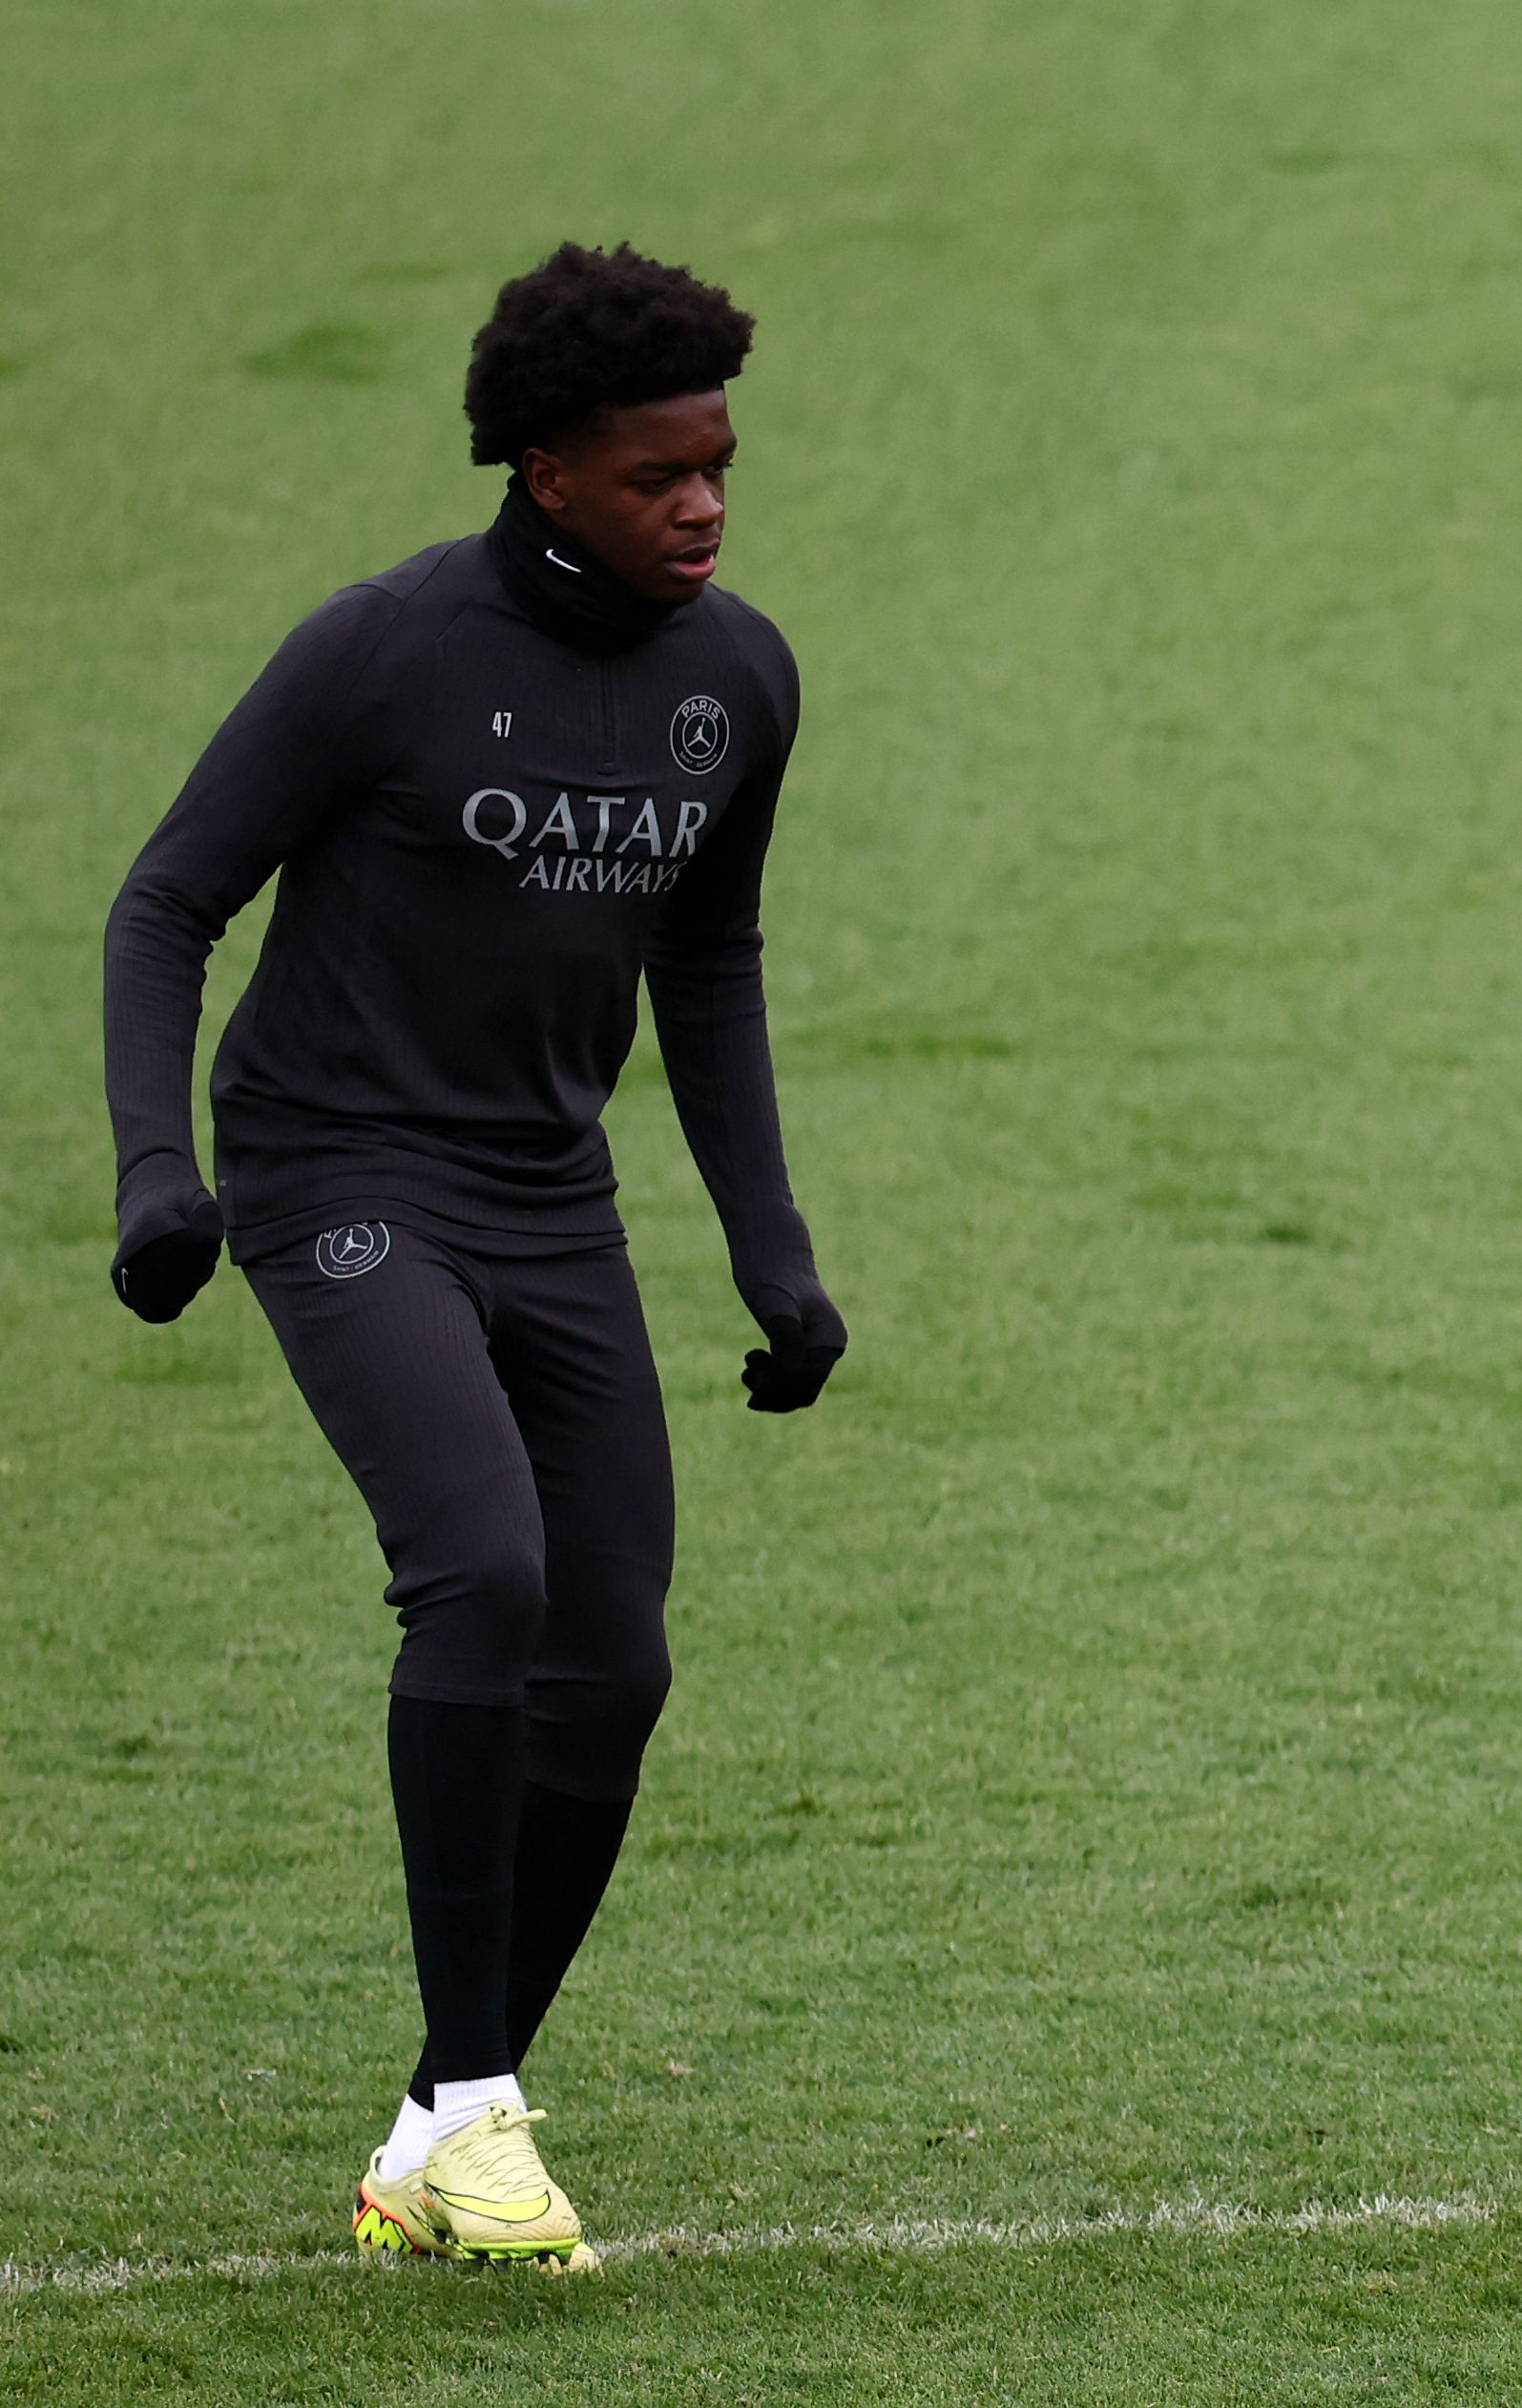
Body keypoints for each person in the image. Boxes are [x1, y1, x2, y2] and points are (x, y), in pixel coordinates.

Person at [101, 241, 844, 2270]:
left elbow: (710, 955)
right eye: (657, 472)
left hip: (547, 1193)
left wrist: (772, 1254)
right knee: (484, 1571)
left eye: (720, 465)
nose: (701, 502)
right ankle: (486, 2108)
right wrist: (157, 1173)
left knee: (615, 1659)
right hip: (334, 1167)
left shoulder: (736, 681)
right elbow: (167, 901)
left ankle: (439, 2124)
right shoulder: (384, 651)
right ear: (542, 469)